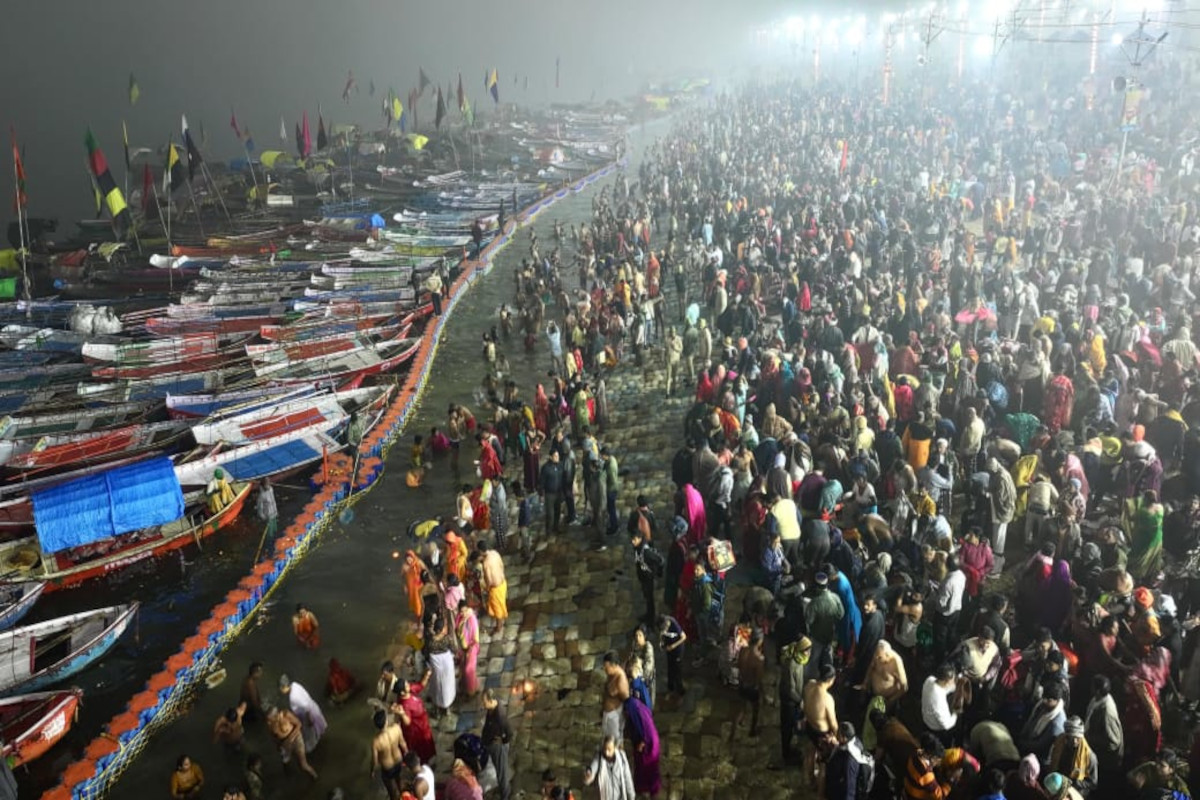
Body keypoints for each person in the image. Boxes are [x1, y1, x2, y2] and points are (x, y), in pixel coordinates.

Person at [803, 662, 838, 790]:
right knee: (824, 764)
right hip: (822, 734)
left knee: (810, 752)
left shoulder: (809, 684)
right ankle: (820, 793)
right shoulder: (827, 699)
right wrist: (837, 737)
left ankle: (810, 779)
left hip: (809, 725)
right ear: (830, 680)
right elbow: (833, 723)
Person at [1047, 716, 1097, 797]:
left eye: (1077, 738)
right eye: (1071, 738)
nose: (1074, 741)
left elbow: (1093, 783)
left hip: (1076, 792)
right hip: (1058, 787)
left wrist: (1076, 782)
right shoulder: (1059, 745)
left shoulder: (1090, 756)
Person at [623, 694, 661, 797]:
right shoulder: (640, 706)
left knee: (646, 768)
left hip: (648, 744)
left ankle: (645, 792)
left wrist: (642, 741)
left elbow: (641, 726)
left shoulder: (633, 707)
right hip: (650, 741)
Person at [266, 705, 318, 779]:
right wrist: (277, 746)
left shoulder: (286, 715)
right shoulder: (270, 724)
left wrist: (290, 739)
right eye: (268, 720)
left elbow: (299, 724)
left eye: (270, 719)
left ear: (276, 716)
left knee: (303, 765)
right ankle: (288, 774)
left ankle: (314, 775)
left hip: (296, 738)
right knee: (285, 761)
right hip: (283, 743)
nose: (268, 722)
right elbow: (273, 736)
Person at [826, 722, 875, 800]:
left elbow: (850, 787)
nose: (837, 736)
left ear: (844, 738)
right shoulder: (856, 741)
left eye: (839, 734)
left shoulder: (850, 760)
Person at [279, 674, 327, 753]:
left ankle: (315, 750)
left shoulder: (293, 697)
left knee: (310, 735)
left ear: (285, 687)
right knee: (316, 730)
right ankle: (320, 743)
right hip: (312, 708)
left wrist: (309, 719)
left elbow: (305, 707)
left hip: (307, 715)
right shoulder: (294, 685)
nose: (281, 691)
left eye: (281, 688)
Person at [731, 628, 765, 740]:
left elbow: (738, 665)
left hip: (742, 683)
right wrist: (762, 693)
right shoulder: (759, 659)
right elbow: (759, 680)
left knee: (741, 708)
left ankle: (733, 732)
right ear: (759, 640)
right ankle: (752, 730)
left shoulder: (743, 650)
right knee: (756, 708)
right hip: (751, 688)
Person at [393, 680, 437, 763]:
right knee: (421, 748)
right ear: (402, 693)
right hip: (417, 731)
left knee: (427, 743)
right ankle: (423, 763)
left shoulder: (410, 690)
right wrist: (402, 714)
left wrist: (427, 675)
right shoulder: (405, 705)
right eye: (406, 685)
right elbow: (407, 722)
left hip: (424, 725)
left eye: (407, 684)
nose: (408, 685)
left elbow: (420, 685)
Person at [481, 689, 513, 800]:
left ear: (491, 701)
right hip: (490, 743)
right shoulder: (491, 709)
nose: (483, 704)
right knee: (499, 771)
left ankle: (505, 796)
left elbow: (509, 733)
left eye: (484, 702)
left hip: (498, 748)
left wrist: (502, 741)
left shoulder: (501, 717)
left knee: (502, 774)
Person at [583, 736, 636, 800]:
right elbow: (592, 769)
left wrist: (631, 796)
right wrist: (589, 776)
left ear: (615, 748)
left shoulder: (622, 758)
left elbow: (628, 778)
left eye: (609, 749)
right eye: (605, 749)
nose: (606, 753)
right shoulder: (599, 757)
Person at [371, 709, 407, 800]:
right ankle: (404, 796)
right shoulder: (396, 728)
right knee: (399, 780)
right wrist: (407, 754)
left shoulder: (376, 742)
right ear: (386, 721)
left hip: (388, 767)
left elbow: (375, 761)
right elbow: (403, 743)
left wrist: (372, 771)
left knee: (392, 790)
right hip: (398, 759)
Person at [631, 524, 663, 624]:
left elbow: (660, 560)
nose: (632, 542)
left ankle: (651, 619)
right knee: (647, 598)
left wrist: (657, 573)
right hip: (643, 576)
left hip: (648, 578)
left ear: (640, 539)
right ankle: (648, 615)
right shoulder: (637, 548)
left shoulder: (647, 552)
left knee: (650, 599)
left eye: (634, 539)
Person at [921, 663, 959, 748]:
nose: (953, 682)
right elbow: (946, 724)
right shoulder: (939, 699)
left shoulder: (930, 680)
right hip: (936, 731)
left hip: (925, 721)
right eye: (952, 680)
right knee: (941, 751)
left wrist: (955, 687)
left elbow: (944, 689)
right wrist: (956, 713)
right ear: (947, 682)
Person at [601, 650, 630, 742]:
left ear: (613, 665)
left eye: (607, 667)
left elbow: (626, 699)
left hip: (615, 716)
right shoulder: (610, 674)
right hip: (608, 715)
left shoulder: (621, 678)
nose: (605, 669)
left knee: (614, 745)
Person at [480, 540, 509, 635]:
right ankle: (500, 621)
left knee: (497, 609)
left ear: (481, 551)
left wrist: (486, 588)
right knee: (501, 603)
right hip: (503, 583)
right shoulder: (495, 553)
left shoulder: (486, 563)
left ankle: (499, 627)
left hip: (495, 588)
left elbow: (489, 580)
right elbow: (501, 565)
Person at [658, 614, 686, 699]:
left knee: (677, 669)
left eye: (665, 626)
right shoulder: (662, 625)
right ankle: (671, 688)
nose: (665, 628)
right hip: (669, 649)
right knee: (670, 668)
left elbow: (684, 637)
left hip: (677, 650)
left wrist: (674, 646)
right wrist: (661, 642)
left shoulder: (674, 623)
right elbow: (662, 634)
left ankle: (680, 690)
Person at [457, 599, 481, 696]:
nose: (464, 613)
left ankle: (471, 691)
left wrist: (469, 651)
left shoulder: (472, 620)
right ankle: (468, 685)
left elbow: (475, 639)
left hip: (472, 647)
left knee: (468, 670)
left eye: (465, 610)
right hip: (462, 647)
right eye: (462, 611)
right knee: (463, 668)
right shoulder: (459, 618)